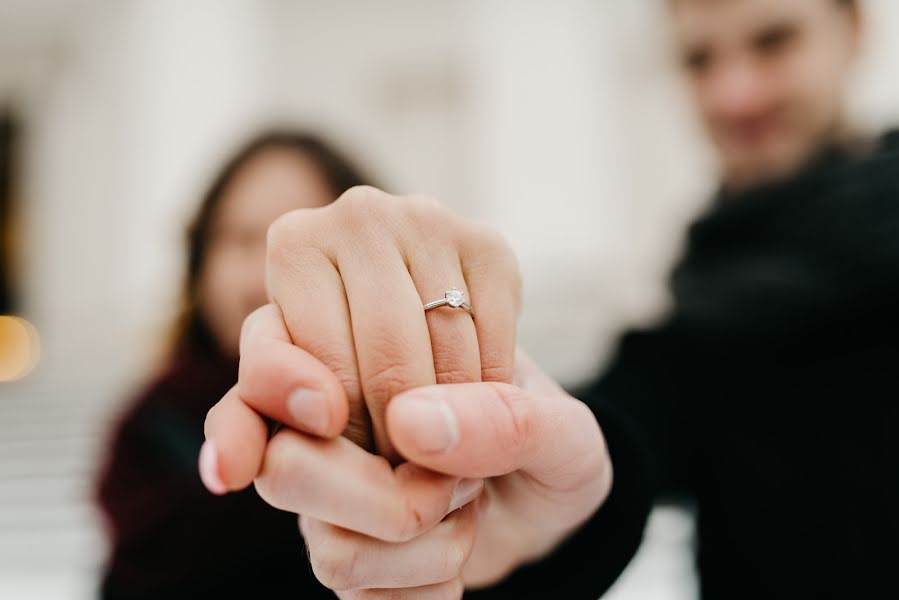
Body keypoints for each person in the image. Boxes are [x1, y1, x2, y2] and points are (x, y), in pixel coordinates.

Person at [202, 0, 899, 598]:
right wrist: (500, 467)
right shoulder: (703, 312)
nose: (734, 95)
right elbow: (618, 435)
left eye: (772, 42)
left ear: (853, 30)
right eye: (698, 60)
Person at [95, 130, 374, 598]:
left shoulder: (404, 419)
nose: (265, 265)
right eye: (240, 237)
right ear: (200, 262)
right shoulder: (148, 429)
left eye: (298, 232)